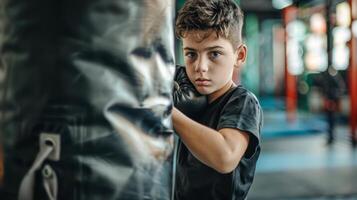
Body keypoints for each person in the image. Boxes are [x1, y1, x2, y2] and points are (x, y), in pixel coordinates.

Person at [172, 0, 263, 199]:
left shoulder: (242, 102)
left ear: (239, 55)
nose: (200, 67)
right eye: (191, 54)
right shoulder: (187, 95)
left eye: (214, 54)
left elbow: (225, 157)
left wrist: (166, 111)